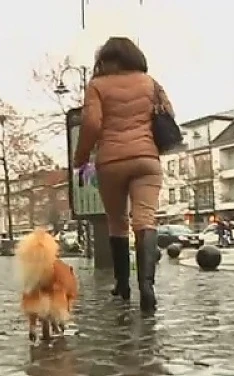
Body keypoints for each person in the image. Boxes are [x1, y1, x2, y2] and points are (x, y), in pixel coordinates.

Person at [72, 36, 175, 312]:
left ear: (105, 60)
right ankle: (147, 286)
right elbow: (168, 113)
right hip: (146, 159)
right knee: (145, 219)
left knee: (117, 222)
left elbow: (92, 123)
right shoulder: (150, 83)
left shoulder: (97, 86)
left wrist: (80, 158)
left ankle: (122, 284)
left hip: (112, 162)